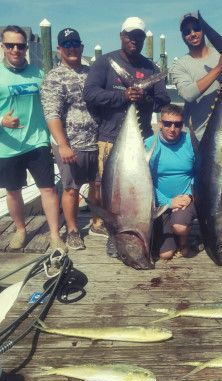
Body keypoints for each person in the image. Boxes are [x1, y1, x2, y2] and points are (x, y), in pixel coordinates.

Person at [83, 16, 170, 255]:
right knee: (113, 196)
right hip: (111, 139)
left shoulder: (151, 68)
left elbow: (164, 100)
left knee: (138, 195)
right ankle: (113, 236)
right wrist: (122, 97)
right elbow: (90, 94)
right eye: (130, 35)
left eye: (139, 36)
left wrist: (144, 98)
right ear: (121, 36)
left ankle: (138, 233)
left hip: (142, 141)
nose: (134, 40)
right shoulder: (104, 62)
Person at [0, 25, 65, 251]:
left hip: (38, 141)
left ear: (26, 47)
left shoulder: (39, 74)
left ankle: (55, 235)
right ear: (2, 47)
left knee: (47, 189)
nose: (15, 49)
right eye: (10, 45)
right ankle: (20, 229)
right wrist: (2, 121)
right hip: (7, 146)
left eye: (20, 45)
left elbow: (52, 105)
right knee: (13, 191)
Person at [41, 28, 102, 251]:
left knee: (98, 185)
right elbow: (52, 114)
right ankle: (74, 230)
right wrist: (63, 145)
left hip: (96, 141)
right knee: (71, 190)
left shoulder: (92, 72)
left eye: (75, 43)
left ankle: (97, 222)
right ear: (59, 49)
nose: (72, 48)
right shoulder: (54, 77)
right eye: (67, 45)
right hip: (71, 145)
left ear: (82, 47)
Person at [170, 12, 222, 141]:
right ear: (183, 37)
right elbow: (187, 94)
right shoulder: (179, 65)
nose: (192, 34)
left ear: (203, 31)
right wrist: (219, 67)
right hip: (194, 137)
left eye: (196, 28)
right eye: (187, 31)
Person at [145, 104, 196, 260]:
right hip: (160, 203)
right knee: (165, 255)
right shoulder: (148, 144)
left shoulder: (190, 141)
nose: (172, 128)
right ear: (160, 123)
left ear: (182, 125)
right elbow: (144, 181)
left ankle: (183, 241)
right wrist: (167, 202)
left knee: (180, 227)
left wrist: (190, 195)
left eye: (177, 124)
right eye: (167, 123)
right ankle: (172, 234)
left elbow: (201, 173)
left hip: (185, 199)